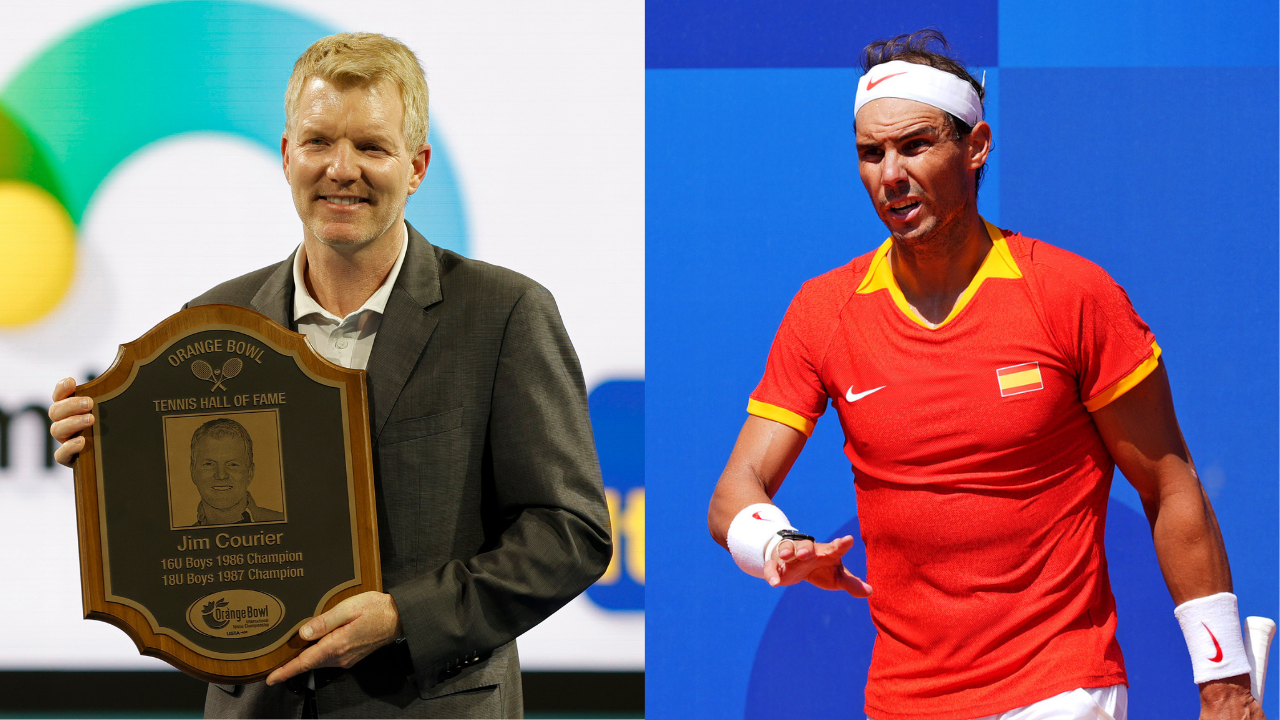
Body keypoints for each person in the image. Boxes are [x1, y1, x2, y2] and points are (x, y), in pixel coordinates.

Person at [49, 32, 611, 719]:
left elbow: (570, 532)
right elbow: (183, 518)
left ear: (417, 167)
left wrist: (404, 615)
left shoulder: (502, 315)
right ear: (286, 156)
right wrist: (104, 451)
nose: (342, 169)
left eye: (372, 147)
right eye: (318, 142)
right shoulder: (211, 324)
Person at [707, 30, 1264, 720]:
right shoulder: (824, 312)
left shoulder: (1070, 295)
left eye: (915, 145)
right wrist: (776, 544)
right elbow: (734, 493)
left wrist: (1226, 683)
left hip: (1060, 685)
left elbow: (1170, 484)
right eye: (871, 153)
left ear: (976, 147)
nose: (891, 175)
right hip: (903, 699)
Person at [186, 417, 284, 526]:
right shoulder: (182, 539)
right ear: (193, 472)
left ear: (250, 473)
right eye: (209, 464)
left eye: (232, 464)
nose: (221, 475)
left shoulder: (282, 524)